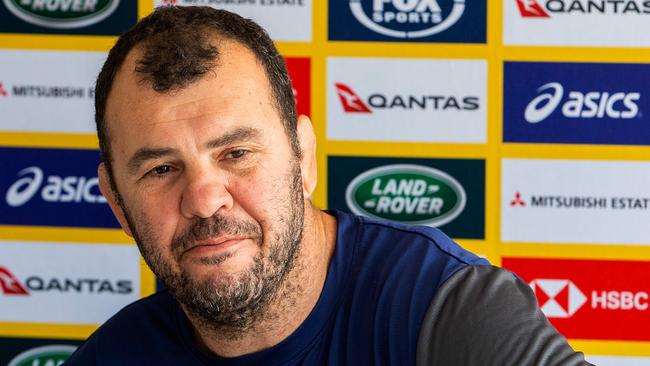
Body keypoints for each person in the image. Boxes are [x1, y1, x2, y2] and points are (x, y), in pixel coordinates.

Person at [65, 6, 592, 365]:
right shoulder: (115, 354)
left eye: (237, 153)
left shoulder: (446, 312)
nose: (205, 199)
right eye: (161, 169)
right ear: (116, 201)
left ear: (303, 158)